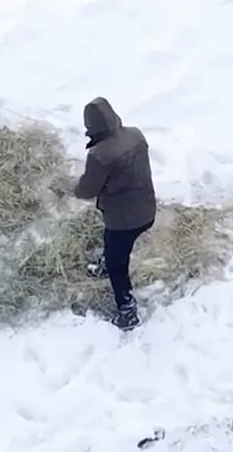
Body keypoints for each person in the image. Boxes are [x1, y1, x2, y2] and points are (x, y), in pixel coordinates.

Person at [71, 97, 158, 331]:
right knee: (114, 244)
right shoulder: (136, 135)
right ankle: (107, 263)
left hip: (124, 219)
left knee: (117, 260)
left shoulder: (100, 154)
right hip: (147, 208)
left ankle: (127, 311)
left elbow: (88, 190)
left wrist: (73, 188)